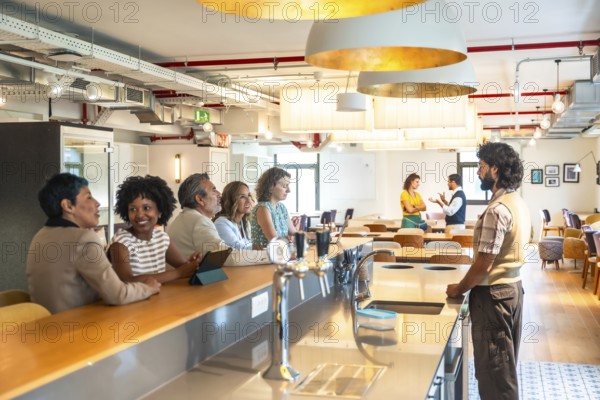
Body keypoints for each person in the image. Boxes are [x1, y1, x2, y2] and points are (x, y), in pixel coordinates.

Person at [446, 142, 531, 400]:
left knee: (495, 373)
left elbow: (484, 264)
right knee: (504, 367)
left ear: (495, 169)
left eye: (482, 167)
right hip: (513, 291)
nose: (478, 173)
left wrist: (459, 289)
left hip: (493, 297)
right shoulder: (518, 203)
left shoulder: (497, 210)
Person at [26, 173, 160, 314]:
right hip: (78, 330)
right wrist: (148, 288)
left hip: (46, 327)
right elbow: (118, 294)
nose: (97, 203)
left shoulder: (39, 236)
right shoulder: (83, 238)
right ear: (68, 206)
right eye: (89, 197)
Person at [108, 175, 200, 284]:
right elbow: (127, 281)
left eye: (146, 208)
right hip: (134, 300)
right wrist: (178, 273)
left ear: (160, 211)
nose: (140, 215)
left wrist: (193, 263)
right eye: (133, 209)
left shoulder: (162, 238)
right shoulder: (120, 243)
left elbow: (184, 268)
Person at [167, 173, 269, 265]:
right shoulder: (199, 221)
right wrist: (269, 256)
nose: (220, 194)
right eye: (214, 190)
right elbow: (227, 257)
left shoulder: (184, 218)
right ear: (200, 199)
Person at [250, 167, 296, 249]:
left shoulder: (281, 207)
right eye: (284, 186)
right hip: (263, 259)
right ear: (270, 187)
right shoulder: (263, 208)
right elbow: (274, 240)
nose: (289, 190)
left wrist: (314, 235)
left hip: (279, 255)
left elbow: (293, 232)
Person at [214, 181, 253, 249]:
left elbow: (251, 244)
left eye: (249, 195)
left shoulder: (245, 222)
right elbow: (238, 249)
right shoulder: (221, 223)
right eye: (242, 197)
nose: (248, 200)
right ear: (231, 200)